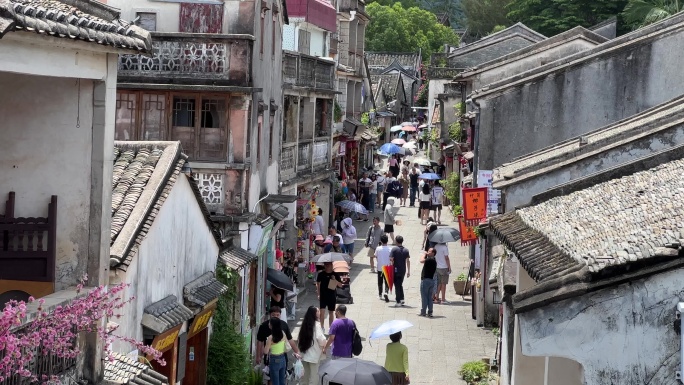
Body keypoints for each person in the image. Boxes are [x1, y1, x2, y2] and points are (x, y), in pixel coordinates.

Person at [265, 318, 301, 385]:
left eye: (269, 323)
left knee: (275, 381)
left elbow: (266, 351)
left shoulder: (270, 337)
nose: (268, 324)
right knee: (282, 381)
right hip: (283, 358)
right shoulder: (283, 333)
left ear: (272, 325)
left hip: (274, 359)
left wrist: (267, 345)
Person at [297, 306, 327, 385]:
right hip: (314, 356)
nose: (319, 312)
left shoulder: (304, 325)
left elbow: (299, 339)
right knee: (314, 377)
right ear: (314, 314)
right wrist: (325, 346)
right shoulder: (317, 325)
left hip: (304, 354)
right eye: (317, 311)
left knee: (305, 377)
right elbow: (321, 339)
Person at [316, 262, 343, 332]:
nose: (327, 266)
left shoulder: (335, 274)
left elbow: (340, 285)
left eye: (328, 264)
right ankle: (322, 327)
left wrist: (335, 280)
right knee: (322, 312)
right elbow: (318, 284)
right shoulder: (321, 274)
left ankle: (331, 328)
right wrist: (318, 294)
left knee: (331, 312)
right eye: (325, 264)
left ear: (332, 265)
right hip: (323, 295)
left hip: (332, 295)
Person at [389, 236, 410, 306]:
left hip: (396, 270)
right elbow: (408, 261)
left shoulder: (394, 249)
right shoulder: (406, 250)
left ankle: (398, 301)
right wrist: (408, 271)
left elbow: (391, 259)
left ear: (396, 241)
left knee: (397, 285)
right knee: (400, 284)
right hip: (403, 270)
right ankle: (402, 298)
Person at [419, 248, 437, 317]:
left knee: (424, 297)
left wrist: (423, 254)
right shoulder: (434, 260)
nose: (428, 252)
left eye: (430, 251)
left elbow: (421, 261)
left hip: (426, 280)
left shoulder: (430, 259)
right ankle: (430, 312)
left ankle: (423, 312)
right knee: (429, 297)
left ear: (433, 253)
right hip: (431, 281)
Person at [374, 234, 392, 302]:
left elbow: (375, 256)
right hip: (387, 267)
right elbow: (391, 258)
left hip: (380, 267)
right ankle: (386, 292)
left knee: (380, 281)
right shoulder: (390, 249)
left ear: (381, 241)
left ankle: (380, 294)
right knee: (387, 281)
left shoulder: (378, 248)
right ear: (387, 241)